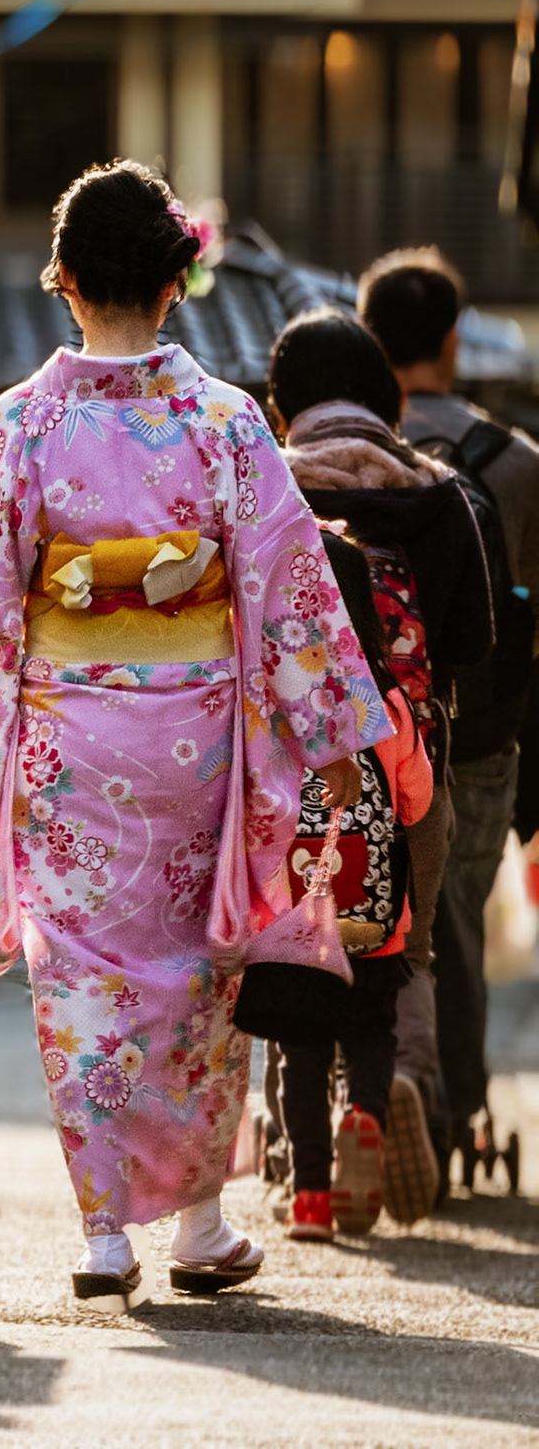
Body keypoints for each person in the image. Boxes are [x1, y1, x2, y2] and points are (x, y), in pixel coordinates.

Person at [0, 161, 384, 1301]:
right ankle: (202, 1224)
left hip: (71, 738)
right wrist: (338, 728)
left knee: (83, 983)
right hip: (196, 741)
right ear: (177, 283)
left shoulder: (24, 420)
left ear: (61, 281)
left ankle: (107, 1233)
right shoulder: (221, 422)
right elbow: (288, 581)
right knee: (202, 973)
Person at [264, 306, 493, 1222]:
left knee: (291, 953)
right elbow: (473, 640)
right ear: (386, 395)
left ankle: (299, 1167)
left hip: (292, 774)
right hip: (410, 758)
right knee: (403, 951)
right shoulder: (438, 493)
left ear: (282, 401)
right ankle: (402, 1095)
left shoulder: (268, 491)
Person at [362, 248, 539, 1182]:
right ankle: (450, 1111)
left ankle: (355, 1101)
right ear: (452, 340)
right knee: (455, 917)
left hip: (358, 734)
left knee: (348, 908)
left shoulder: (340, 454)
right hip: (478, 739)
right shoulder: (517, 466)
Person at [277, 531, 434, 1244]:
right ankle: (365, 1113)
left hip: (298, 920)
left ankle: (309, 1196)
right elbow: (417, 801)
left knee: (301, 1055)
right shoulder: (389, 700)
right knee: (371, 1030)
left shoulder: (280, 705)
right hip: (375, 918)